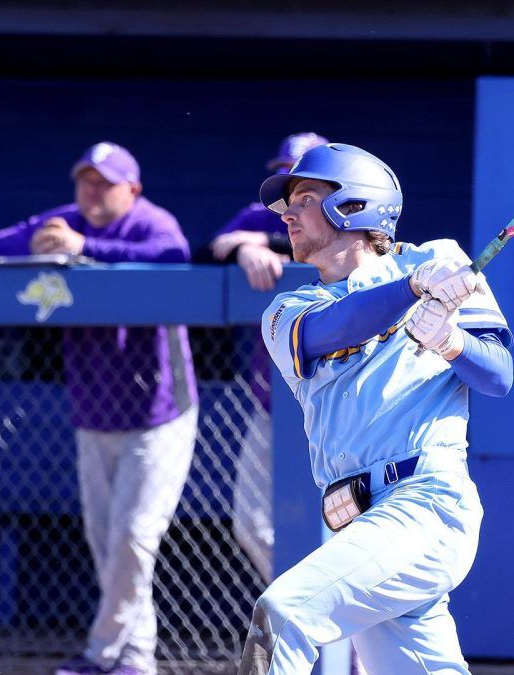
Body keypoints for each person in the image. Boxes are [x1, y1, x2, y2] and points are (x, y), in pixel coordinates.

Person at [238, 142, 514, 674]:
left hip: (425, 501)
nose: (286, 214)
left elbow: (499, 376)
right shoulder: (288, 309)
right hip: (357, 520)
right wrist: (411, 288)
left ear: (356, 205)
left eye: (307, 197)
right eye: (287, 203)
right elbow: (334, 328)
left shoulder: (442, 260)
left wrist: (453, 341)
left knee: (284, 614)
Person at [0, 142, 197, 675]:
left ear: (132, 189)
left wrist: (84, 247)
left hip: (159, 412)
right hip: (93, 411)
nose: (92, 191)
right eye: (85, 181)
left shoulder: (149, 222)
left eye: (105, 182)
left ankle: (108, 651)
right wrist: (41, 240)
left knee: (135, 536)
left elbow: (175, 257)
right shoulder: (62, 221)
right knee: (106, 541)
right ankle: (132, 655)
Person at [204, 132, 327, 583]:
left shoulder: (350, 222)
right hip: (272, 401)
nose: (289, 185)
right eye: (284, 174)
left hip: (339, 403)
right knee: (252, 522)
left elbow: (340, 254)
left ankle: (344, 642)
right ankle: (308, 615)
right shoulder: (263, 215)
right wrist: (243, 246)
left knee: (343, 527)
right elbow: (210, 247)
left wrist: (266, 242)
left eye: (302, 178)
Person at [205, 132, 328, 292]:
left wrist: (267, 240)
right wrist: (243, 250)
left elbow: (333, 247)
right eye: (288, 168)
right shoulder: (259, 214)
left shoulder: (338, 212)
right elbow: (210, 250)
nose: (292, 178)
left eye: (301, 170)